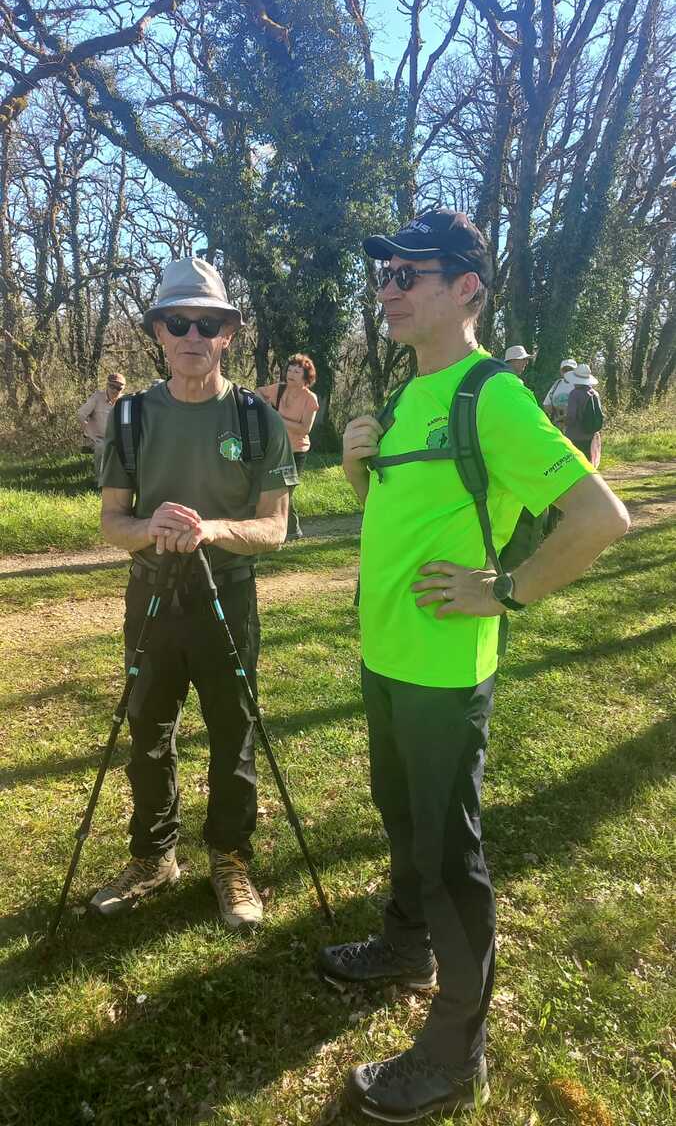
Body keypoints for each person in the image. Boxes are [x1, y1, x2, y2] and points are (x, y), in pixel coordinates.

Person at [318, 208, 630, 1122]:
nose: (388, 290)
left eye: (408, 275)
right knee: (403, 820)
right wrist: (355, 466)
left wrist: (506, 593)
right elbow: (405, 511)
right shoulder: (410, 391)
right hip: (385, 657)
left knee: (449, 856)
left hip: (446, 673)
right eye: (384, 275)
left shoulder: (492, 395)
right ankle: (404, 946)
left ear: (466, 289)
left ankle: (456, 1054)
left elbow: (600, 518)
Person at [92, 257, 297, 929]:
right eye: (178, 322)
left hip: (227, 598)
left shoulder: (257, 419)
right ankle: (154, 857)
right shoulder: (130, 417)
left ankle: (231, 859)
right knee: (147, 732)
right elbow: (112, 522)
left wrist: (210, 529)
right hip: (151, 596)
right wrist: (148, 528)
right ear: (158, 331)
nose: (192, 336)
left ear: (227, 335)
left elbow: (274, 529)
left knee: (233, 732)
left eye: (207, 325)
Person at [256, 354, 319, 540]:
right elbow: (258, 392)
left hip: (296, 451)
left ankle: (292, 529)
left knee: (286, 491)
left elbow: (304, 429)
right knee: (272, 490)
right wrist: (265, 406)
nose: (291, 374)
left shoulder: (310, 399)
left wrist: (276, 417)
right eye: (290, 370)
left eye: (297, 372)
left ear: (306, 376)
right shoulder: (279, 388)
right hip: (276, 448)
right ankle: (278, 527)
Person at [77, 373, 126, 485]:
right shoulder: (97, 397)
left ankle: (122, 482)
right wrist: (89, 434)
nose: (115, 390)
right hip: (98, 438)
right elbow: (81, 415)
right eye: (112, 386)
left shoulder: (124, 401)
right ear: (107, 385)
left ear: (123, 389)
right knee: (101, 447)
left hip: (116, 438)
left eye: (119, 388)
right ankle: (100, 481)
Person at [565, 362, 603, 467]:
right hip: (591, 435)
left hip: (575, 435)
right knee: (588, 463)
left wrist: (563, 421)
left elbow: (571, 416)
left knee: (575, 465)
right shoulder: (595, 394)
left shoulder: (574, 394)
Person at [543, 358, 577, 429]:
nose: (567, 372)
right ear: (561, 371)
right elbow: (546, 404)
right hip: (557, 426)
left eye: (570, 369)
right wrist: (557, 412)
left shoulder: (579, 385)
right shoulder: (557, 384)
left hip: (574, 428)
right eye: (565, 370)